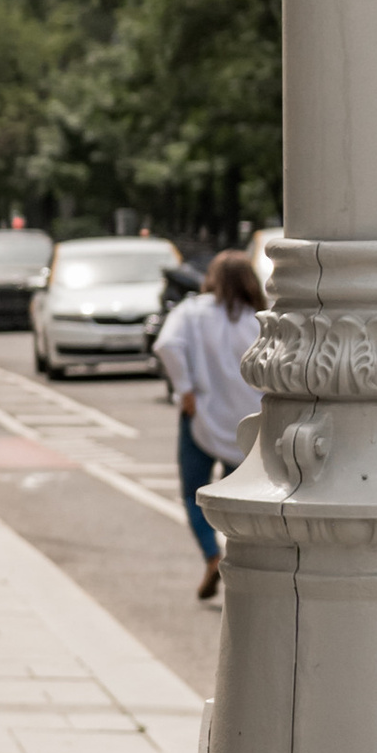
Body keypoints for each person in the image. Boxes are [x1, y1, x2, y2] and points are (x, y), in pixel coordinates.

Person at [155, 246, 265, 604]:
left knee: (194, 493)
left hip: (200, 415)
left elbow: (167, 345)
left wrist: (185, 389)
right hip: (248, 422)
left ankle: (211, 554)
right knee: (241, 498)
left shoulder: (192, 312)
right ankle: (238, 562)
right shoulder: (261, 319)